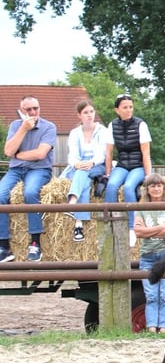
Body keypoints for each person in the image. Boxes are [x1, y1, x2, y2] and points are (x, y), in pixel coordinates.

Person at [0, 95, 56, 262]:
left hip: (40, 169)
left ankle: (35, 243)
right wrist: (23, 129)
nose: (33, 112)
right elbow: (9, 152)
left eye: (35, 108)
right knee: (0, 195)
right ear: (21, 111)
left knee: (30, 193)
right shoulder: (15, 126)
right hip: (16, 170)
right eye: (28, 109)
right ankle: (4, 246)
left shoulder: (49, 127)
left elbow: (41, 153)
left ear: (39, 108)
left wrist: (19, 154)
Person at [134, 173, 165, 333]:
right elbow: (138, 232)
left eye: (159, 185)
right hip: (148, 256)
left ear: (164, 188)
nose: (156, 189)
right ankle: (152, 327)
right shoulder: (141, 207)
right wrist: (161, 228)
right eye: (153, 186)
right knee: (152, 295)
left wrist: (149, 231)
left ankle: (164, 328)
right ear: (147, 189)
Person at [104, 93, 152, 248]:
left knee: (129, 187)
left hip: (137, 165)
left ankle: (132, 228)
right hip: (122, 165)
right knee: (111, 186)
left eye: (130, 107)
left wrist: (148, 175)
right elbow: (109, 152)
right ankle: (108, 223)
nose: (129, 110)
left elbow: (146, 152)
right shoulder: (112, 125)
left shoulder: (141, 125)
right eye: (125, 107)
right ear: (117, 110)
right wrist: (108, 172)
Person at [60, 99, 108, 242]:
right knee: (84, 180)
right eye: (85, 112)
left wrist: (91, 162)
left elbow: (102, 153)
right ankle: (79, 224)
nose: (89, 115)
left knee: (83, 173)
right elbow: (72, 154)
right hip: (80, 165)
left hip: (97, 164)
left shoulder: (102, 131)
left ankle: (72, 203)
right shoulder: (75, 133)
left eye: (91, 112)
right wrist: (76, 164)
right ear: (79, 115)